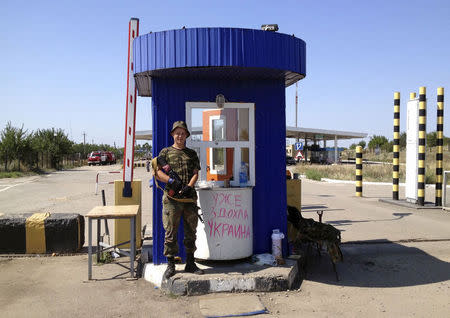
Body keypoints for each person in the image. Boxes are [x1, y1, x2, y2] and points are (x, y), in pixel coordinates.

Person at [155, 121, 204, 279]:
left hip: (189, 199)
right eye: (177, 133)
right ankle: (171, 265)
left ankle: (190, 263)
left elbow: (196, 172)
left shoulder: (192, 154)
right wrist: (171, 181)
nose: (180, 136)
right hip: (172, 199)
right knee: (170, 233)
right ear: (172, 135)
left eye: (183, 133)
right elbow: (157, 173)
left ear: (186, 135)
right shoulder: (165, 153)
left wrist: (189, 186)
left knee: (191, 232)